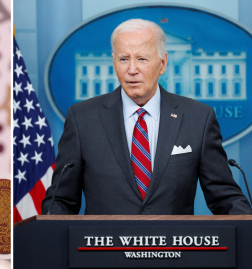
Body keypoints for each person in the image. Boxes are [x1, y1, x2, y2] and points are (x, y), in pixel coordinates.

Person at [42, 19, 252, 215]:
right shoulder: (82, 118)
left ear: (162, 63)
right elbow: (60, 201)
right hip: (102, 251)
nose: (132, 70)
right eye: (124, 59)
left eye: (142, 59)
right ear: (114, 63)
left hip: (175, 251)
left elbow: (225, 197)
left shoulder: (198, 118)